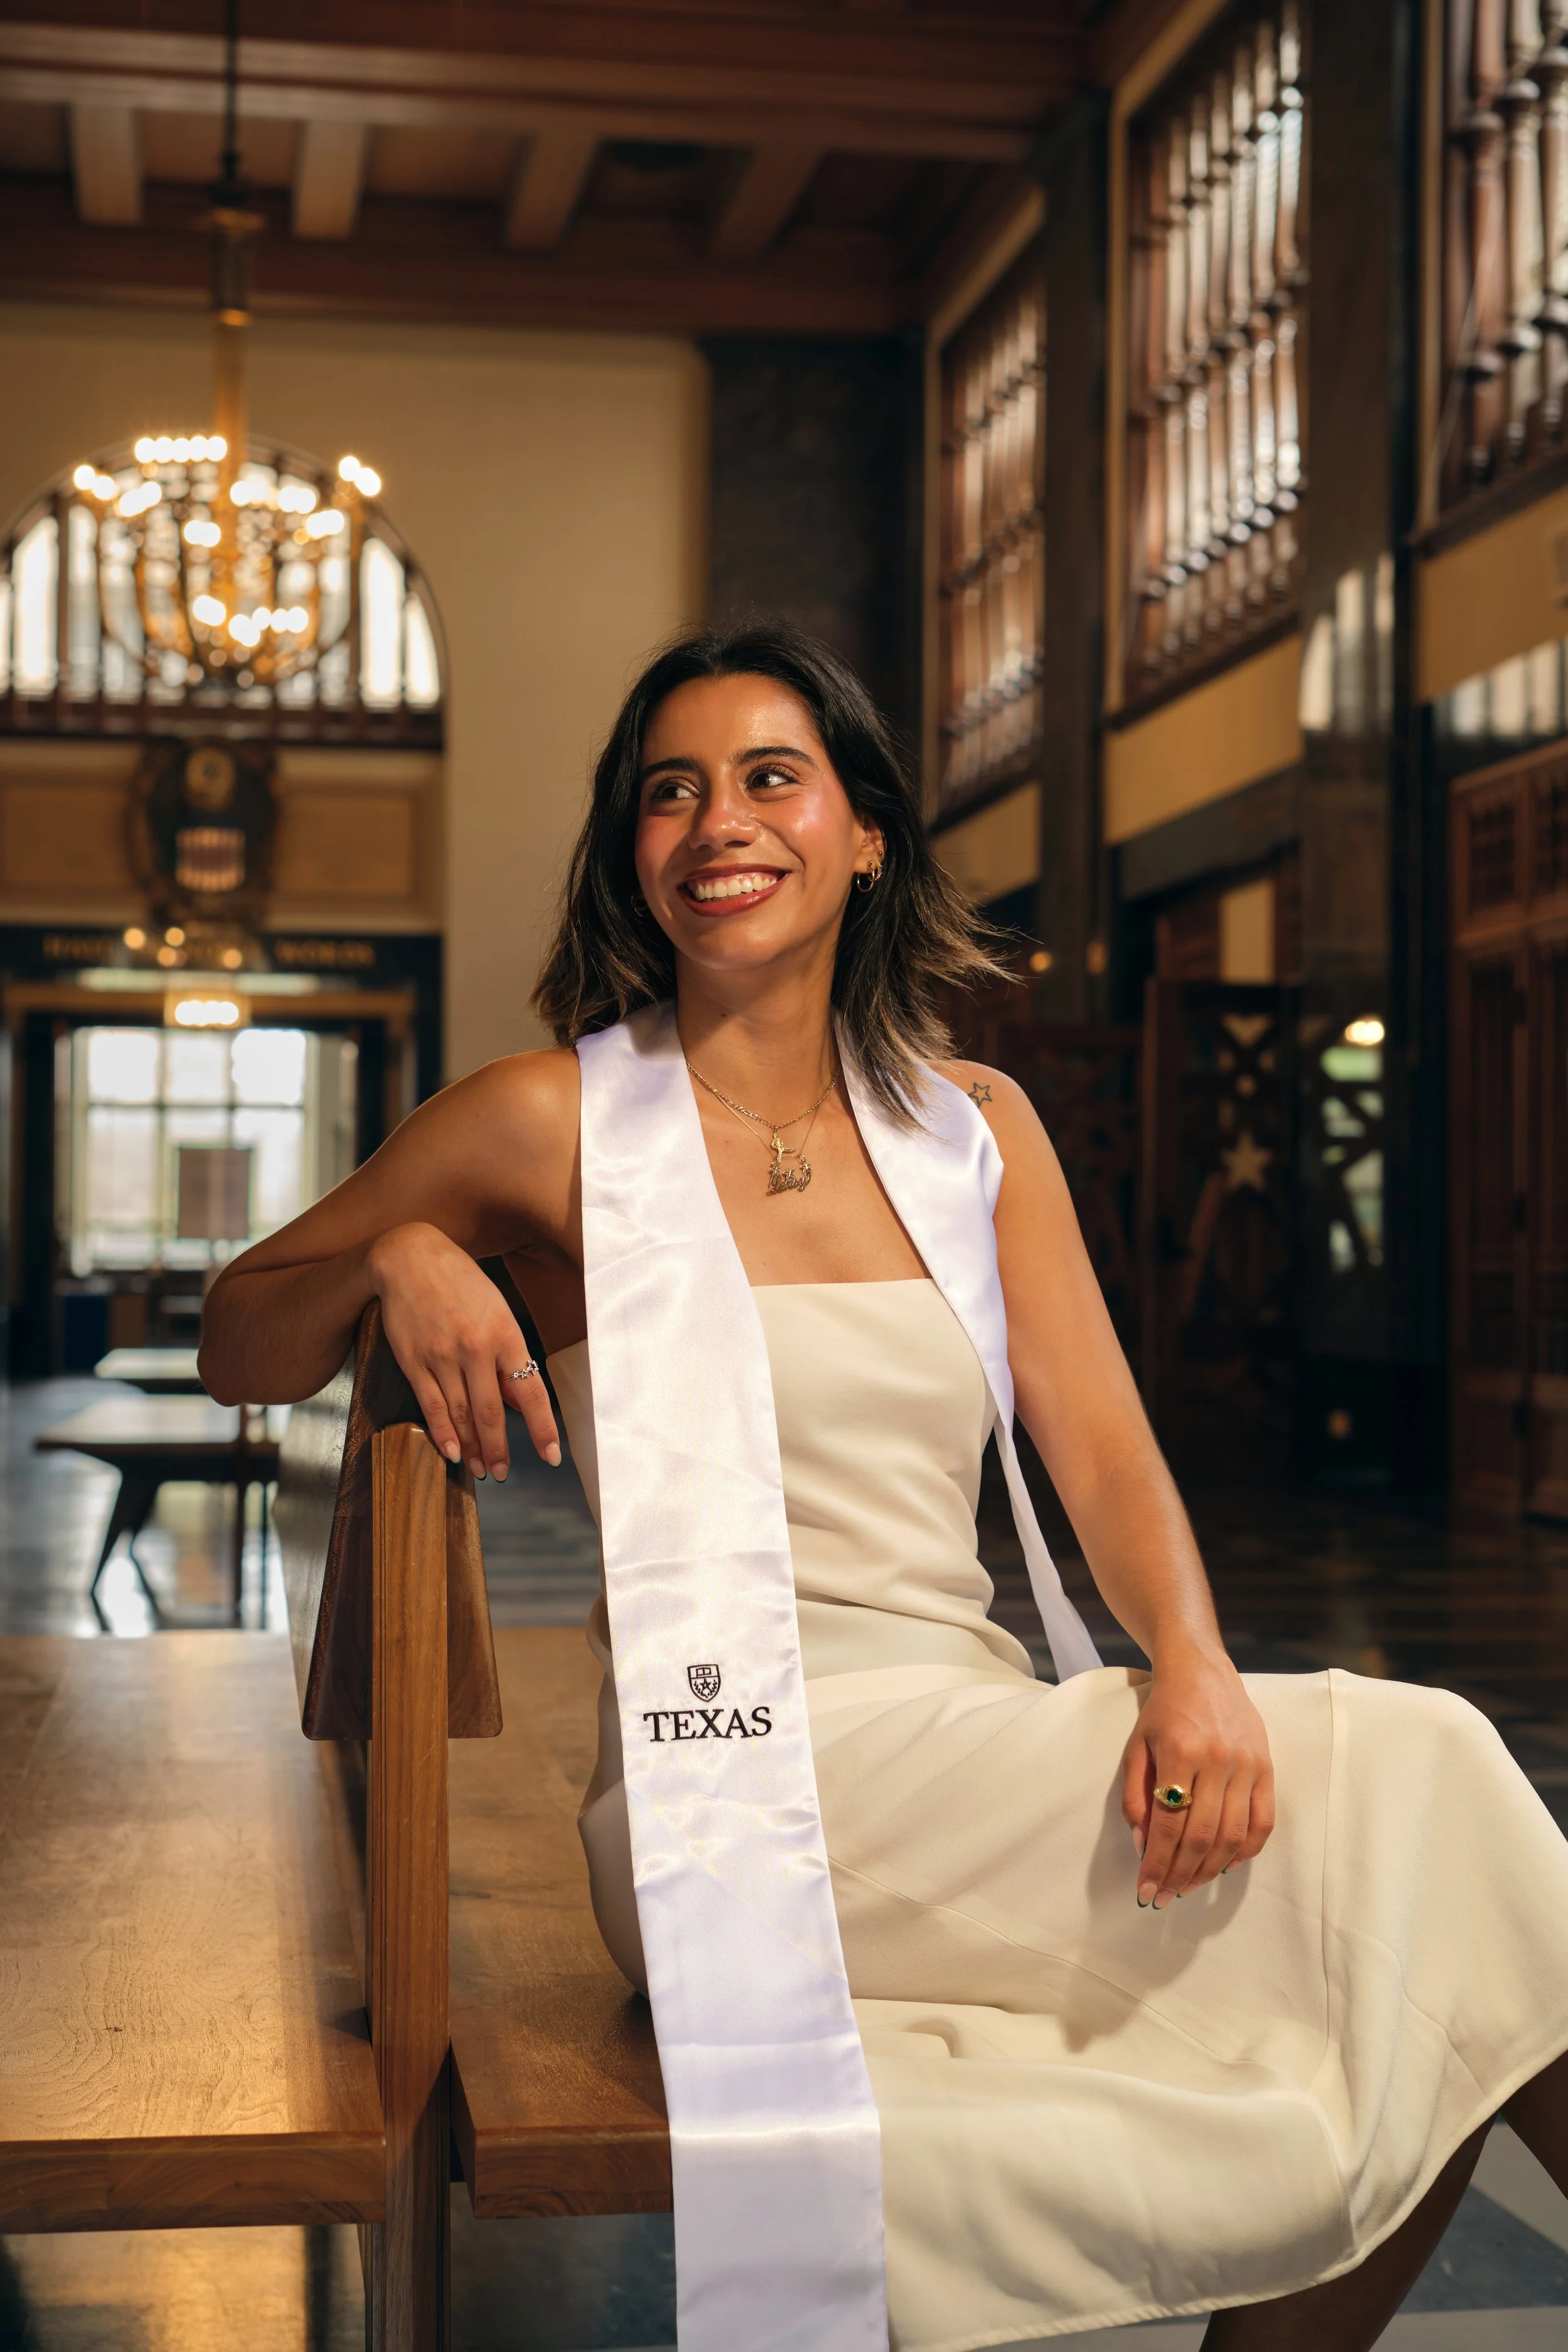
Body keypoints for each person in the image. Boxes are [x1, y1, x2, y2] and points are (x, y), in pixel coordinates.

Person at [202, 623, 1568, 2352]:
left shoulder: (968, 1127)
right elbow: (241, 1336)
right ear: (634, 854)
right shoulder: (549, 1120)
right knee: (1439, 1796)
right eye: (667, 792)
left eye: (771, 777)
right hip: (731, 1783)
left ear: (864, 833)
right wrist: (400, 1241)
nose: (718, 822)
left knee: (1438, 1963)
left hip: (962, 1722)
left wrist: (1194, 1666)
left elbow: (1101, 1448)